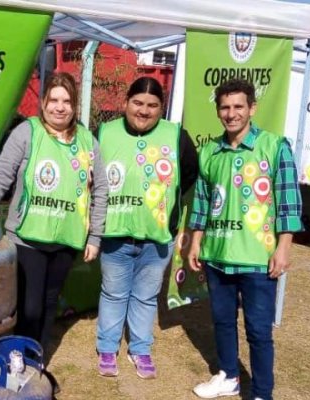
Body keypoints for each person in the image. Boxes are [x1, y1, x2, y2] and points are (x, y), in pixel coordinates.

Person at [0, 71, 108, 356]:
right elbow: (0, 176)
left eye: (67, 101)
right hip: (27, 238)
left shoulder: (88, 141)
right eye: (54, 100)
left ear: (75, 106)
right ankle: (16, 357)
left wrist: (95, 236)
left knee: (49, 301)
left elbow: (101, 190)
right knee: (29, 305)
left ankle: (36, 357)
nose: (60, 107)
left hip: (65, 239)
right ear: (44, 101)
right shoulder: (26, 132)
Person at [186, 79, 302, 400]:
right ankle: (229, 376)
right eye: (225, 107)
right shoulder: (210, 151)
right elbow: (202, 201)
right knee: (222, 321)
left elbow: (288, 200)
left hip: (257, 258)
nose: (231, 113)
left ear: (252, 108)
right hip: (218, 253)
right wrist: (196, 241)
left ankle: (263, 392)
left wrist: (284, 245)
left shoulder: (274, 146)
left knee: (258, 331)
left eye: (238, 106)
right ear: (218, 110)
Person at [95, 77, 198, 378]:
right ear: (126, 102)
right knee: (113, 292)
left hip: (158, 236)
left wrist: (167, 204)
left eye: (152, 105)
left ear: (161, 108)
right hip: (115, 233)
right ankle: (107, 348)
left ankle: (140, 349)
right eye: (138, 103)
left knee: (145, 295)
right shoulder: (104, 132)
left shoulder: (177, 136)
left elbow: (189, 173)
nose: (144, 110)